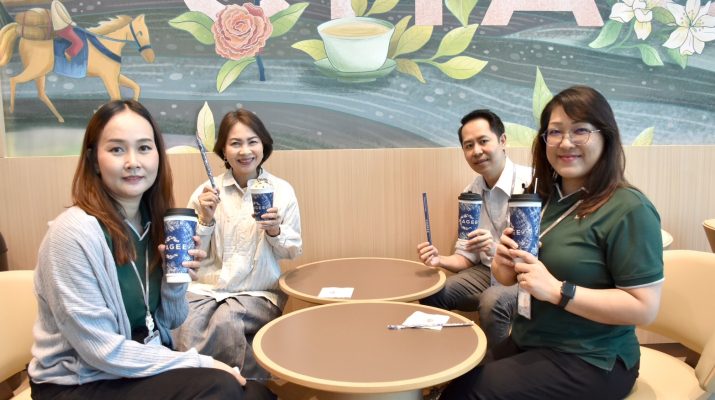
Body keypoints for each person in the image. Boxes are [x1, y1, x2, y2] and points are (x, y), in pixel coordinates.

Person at [28, 100, 273, 400]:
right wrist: (203, 362)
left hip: (135, 369)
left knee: (257, 393)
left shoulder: (154, 223)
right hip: (78, 382)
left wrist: (175, 280)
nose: (133, 161)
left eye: (144, 148)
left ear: (158, 155)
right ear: (93, 160)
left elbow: (171, 321)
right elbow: (101, 351)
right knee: (221, 387)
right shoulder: (71, 235)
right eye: (117, 149)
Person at [440, 86, 664, 400]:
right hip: (532, 340)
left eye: (580, 131)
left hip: (591, 358)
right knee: (454, 377)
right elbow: (509, 277)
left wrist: (559, 291)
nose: (565, 142)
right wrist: (503, 263)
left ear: (606, 136)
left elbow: (644, 308)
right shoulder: (542, 199)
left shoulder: (629, 208)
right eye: (555, 132)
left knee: (465, 395)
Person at [172, 109, 302, 379]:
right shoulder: (206, 193)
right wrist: (205, 219)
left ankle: (246, 388)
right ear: (223, 150)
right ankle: (195, 390)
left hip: (257, 293)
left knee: (227, 322)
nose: (245, 151)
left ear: (263, 145)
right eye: (235, 143)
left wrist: (275, 230)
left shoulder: (281, 191)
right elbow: (189, 256)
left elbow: (292, 251)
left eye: (252, 141)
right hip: (206, 291)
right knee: (185, 323)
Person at [417, 109, 532, 347]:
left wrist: (494, 248)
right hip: (485, 271)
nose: (476, 151)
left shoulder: (531, 183)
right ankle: (446, 358)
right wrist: (440, 260)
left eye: (483, 141)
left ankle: (495, 366)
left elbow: (539, 252)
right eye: (468, 146)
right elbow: (466, 257)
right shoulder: (470, 192)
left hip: (524, 275)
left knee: (492, 301)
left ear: (502, 140)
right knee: (432, 292)